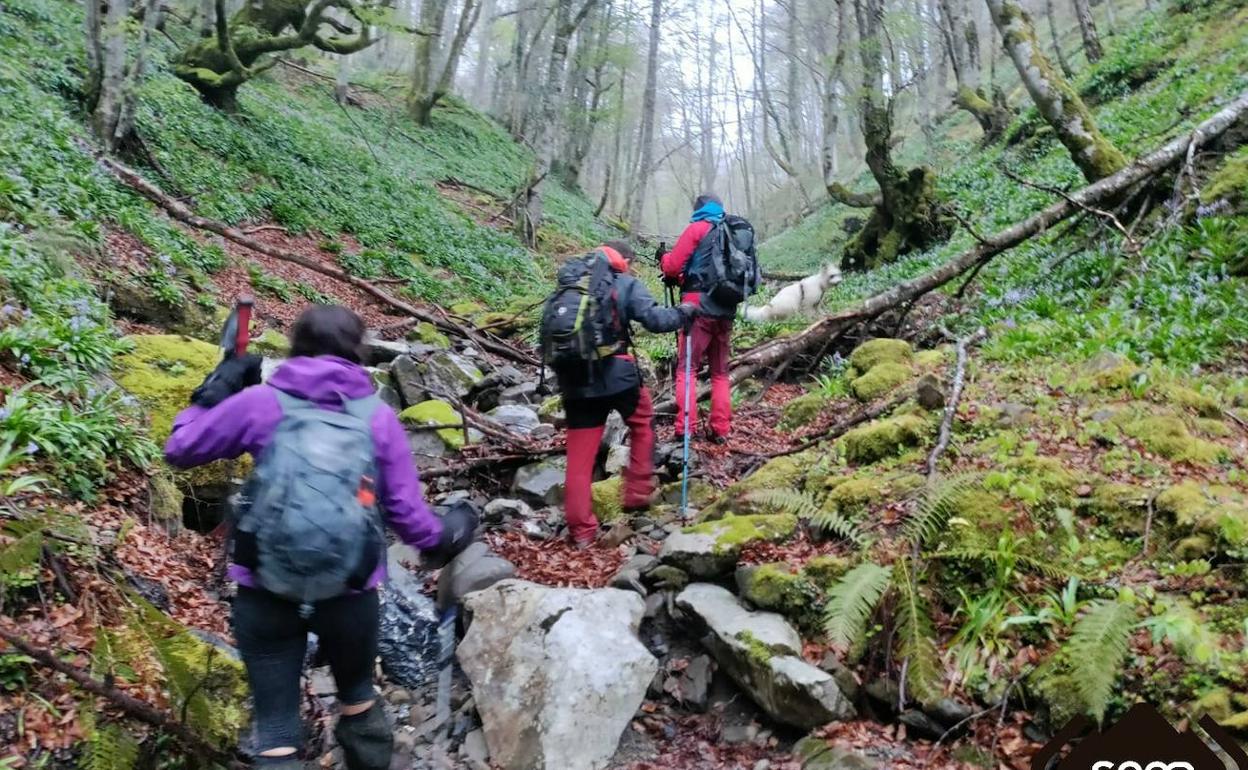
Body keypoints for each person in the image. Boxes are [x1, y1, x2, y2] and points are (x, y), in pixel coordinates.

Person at [164, 305, 475, 770]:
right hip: (349, 594)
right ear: (357, 351)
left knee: (274, 727)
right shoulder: (377, 416)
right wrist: (450, 532)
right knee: (357, 698)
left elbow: (180, 449)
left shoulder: (260, 403)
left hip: (264, 590)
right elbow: (409, 518)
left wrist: (219, 387)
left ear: (296, 347)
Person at [553, 240, 696, 547]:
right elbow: (656, 320)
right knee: (642, 424)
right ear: (625, 260)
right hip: (617, 375)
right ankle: (637, 493)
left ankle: (581, 532)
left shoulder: (571, 282)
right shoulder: (624, 282)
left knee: (579, 458)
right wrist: (684, 312)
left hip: (574, 380)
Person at [661, 193, 736, 443]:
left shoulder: (697, 229)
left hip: (697, 309)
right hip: (725, 309)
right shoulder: (731, 233)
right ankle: (721, 429)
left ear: (698, 209)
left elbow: (672, 266)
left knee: (687, 369)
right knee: (720, 373)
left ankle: (686, 428)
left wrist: (663, 259)